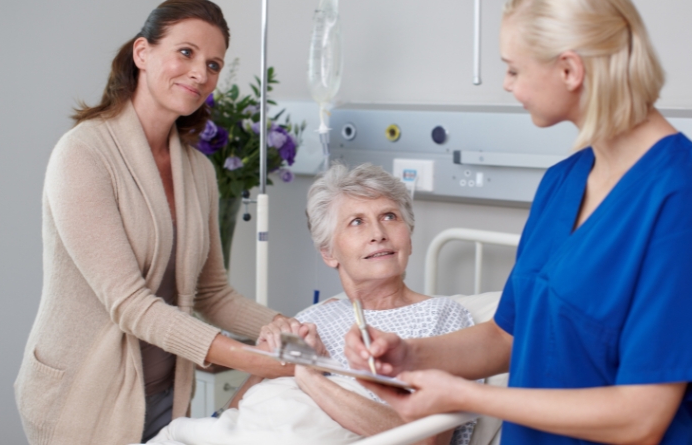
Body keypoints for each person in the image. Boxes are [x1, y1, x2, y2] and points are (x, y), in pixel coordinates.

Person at [345, 0, 692, 444]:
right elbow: (509, 336)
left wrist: (465, 397)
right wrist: (409, 355)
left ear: (570, 70)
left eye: (514, 69)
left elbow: (642, 417)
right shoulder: (563, 182)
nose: (508, 85)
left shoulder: (683, 195)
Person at [14, 0, 295, 444]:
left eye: (213, 64)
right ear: (142, 54)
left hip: (166, 395)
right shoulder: (83, 154)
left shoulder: (198, 170)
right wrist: (255, 360)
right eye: (185, 52)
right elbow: (130, 304)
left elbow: (213, 292)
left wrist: (289, 328)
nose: (201, 73)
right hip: (81, 399)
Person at [146, 163, 476, 445]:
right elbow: (237, 413)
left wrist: (310, 376)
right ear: (328, 252)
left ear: (409, 235)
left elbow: (426, 440)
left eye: (389, 216)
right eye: (356, 222)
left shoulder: (443, 318)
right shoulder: (311, 319)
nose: (378, 233)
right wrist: (271, 353)